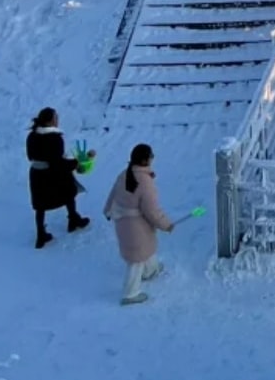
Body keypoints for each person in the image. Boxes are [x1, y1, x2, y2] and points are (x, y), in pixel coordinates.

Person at [103, 144, 174, 306]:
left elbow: (112, 195)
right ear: (145, 160)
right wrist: (166, 225)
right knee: (136, 259)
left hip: (124, 223)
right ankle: (130, 293)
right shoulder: (145, 183)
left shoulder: (124, 174)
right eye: (151, 156)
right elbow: (152, 211)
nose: (153, 158)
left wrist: (107, 211)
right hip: (136, 226)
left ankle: (151, 270)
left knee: (143, 250)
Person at [26, 107, 92, 249]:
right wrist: (75, 163)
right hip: (52, 175)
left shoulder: (32, 136)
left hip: (36, 174)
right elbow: (57, 163)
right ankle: (73, 219)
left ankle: (40, 234)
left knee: (40, 205)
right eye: (56, 117)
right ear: (51, 121)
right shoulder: (55, 139)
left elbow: (30, 156)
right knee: (68, 193)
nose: (58, 120)